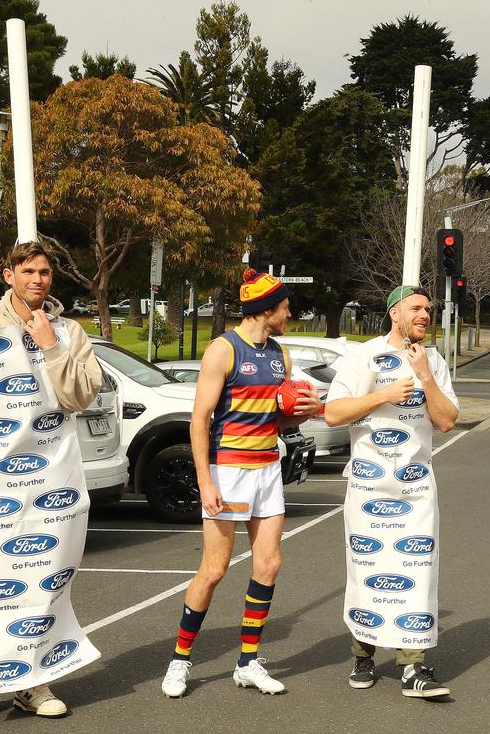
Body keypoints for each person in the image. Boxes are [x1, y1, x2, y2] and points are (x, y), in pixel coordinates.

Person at [0, 242, 103, 723]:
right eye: (28, 270)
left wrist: (51, 344)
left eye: (46, 271)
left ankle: (32, 683)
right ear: (9, 275)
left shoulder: (70, 332)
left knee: (42, 585)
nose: (38, 279)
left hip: (54, 480)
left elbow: (80, 398)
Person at [161, 269, 320, 698]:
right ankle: (180, 661)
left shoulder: (279, 354)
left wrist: (300, 414)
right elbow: (199, 419)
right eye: (285, 306)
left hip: (267, 468)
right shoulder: (222, 350)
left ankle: (248, 662)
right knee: (213, 570)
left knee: (269, 566)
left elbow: (279, 417)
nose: (290, 312)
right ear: (267, 309)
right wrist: (204, 479)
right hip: (228, 471)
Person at [324, 286, 459, 698]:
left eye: (428, 309)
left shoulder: (433, 360)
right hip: (368, 487)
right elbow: (332, 413)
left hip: (416, 489)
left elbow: (448, 420)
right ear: (394, 313)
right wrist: (383, 393)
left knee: (417, 576)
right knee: (367, 573)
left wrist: (424, 377)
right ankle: (363, 654)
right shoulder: (363, 356)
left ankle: (412, 667)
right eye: (416, 308)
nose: (425, 314)